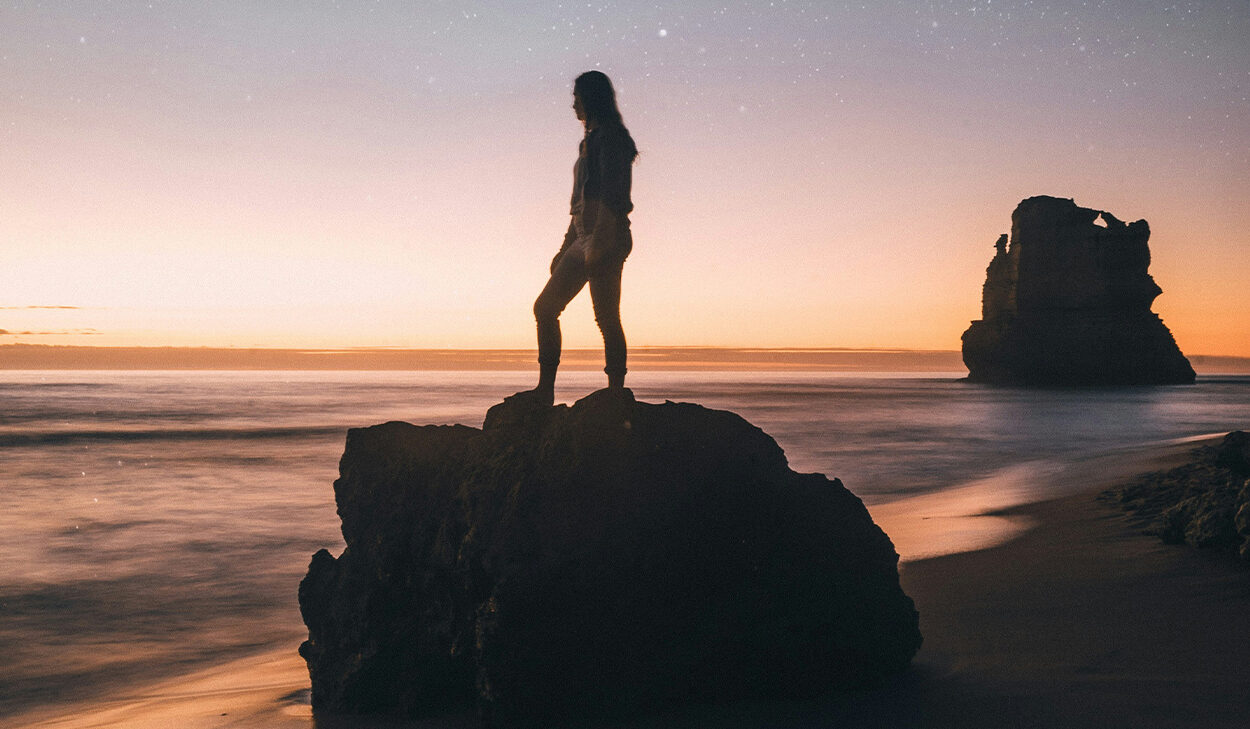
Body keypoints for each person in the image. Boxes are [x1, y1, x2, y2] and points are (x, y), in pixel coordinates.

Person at [525, 71, 638, 405]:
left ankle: (616, 393)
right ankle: (545, 390)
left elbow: (614, 195)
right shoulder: (589, 141)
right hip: (582, 236)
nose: (573, 103)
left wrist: (601, 242)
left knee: (606, 317)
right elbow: (579, 203)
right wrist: (565, 248)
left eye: (577, 96)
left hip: (609, 235)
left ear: (591, 98)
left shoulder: (613, 137)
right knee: (545, 308)